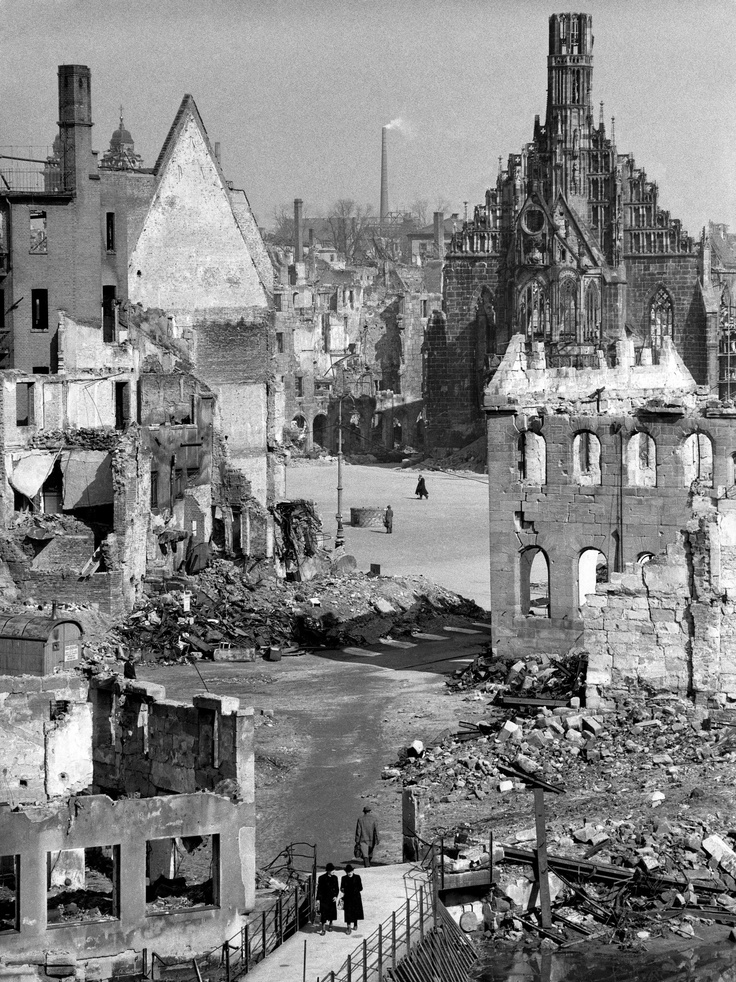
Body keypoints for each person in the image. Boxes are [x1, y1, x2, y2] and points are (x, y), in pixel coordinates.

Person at [316, 862, 339, 935]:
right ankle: (323, 928)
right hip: (324, 898)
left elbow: (336, 888)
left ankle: (331, 923)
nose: (334, 872)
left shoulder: (335, 878)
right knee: (323, 913)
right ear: (328, 871)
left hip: (332, 898)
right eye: (332, 871)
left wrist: (335, 896)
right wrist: (318, 899)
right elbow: (319, 889)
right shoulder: (322, 878)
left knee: (331, 912)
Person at [340, 864, 364, 935]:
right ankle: (348, 926)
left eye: (350, 871)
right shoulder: (343, 878)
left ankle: (355, 924)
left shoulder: (357, 877)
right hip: (347, 898)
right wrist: (343, 890)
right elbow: (341, 887)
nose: (349, 873)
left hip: (356, 897)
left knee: (355, 911)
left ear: (353, 871)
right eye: (347, 872)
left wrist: (354, 890)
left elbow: (361, 888)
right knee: (348, 912)